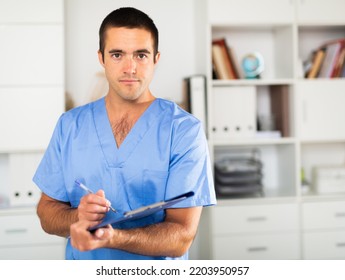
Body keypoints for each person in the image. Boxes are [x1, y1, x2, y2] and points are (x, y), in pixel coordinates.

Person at [33, 6, 216, 260]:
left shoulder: (184, 131)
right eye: (117, 54)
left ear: (156, 59)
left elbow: (181, 236)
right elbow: (47, 212)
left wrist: (112, 237)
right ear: (101, 58)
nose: (130, 68)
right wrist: (79, 217)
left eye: (141, 55)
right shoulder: (70, 125)